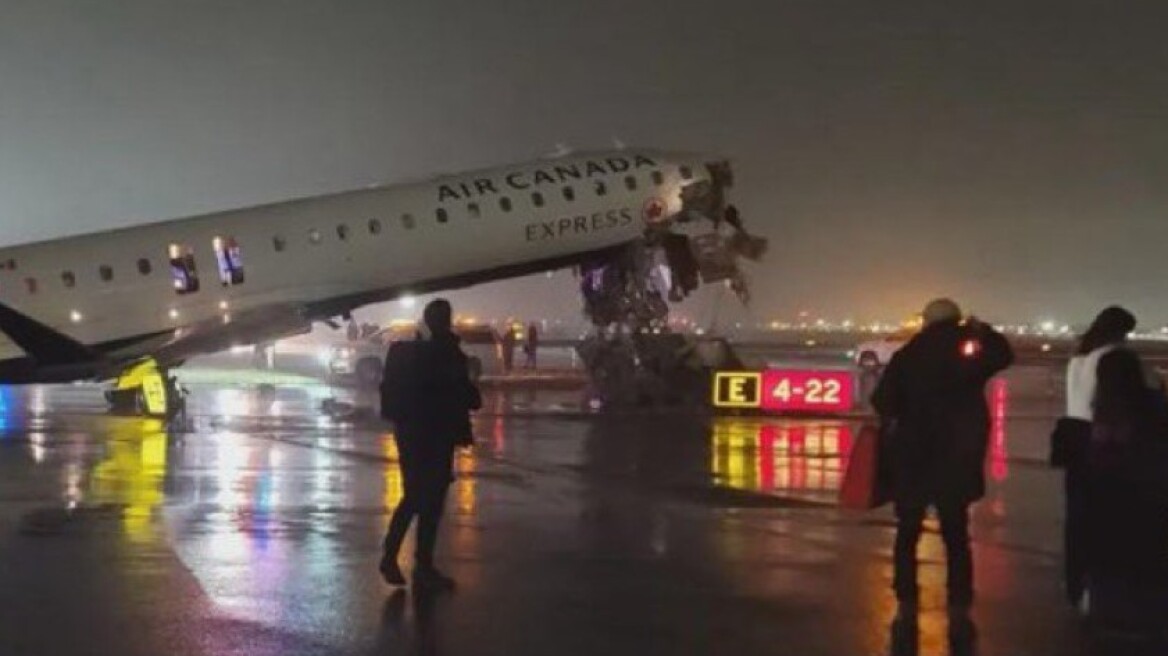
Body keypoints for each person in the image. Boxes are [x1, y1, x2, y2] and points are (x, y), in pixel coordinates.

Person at [871, 298, 1014, 627]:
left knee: (908, 532)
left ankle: (906, 594)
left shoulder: (907, 355)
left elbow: (882, 401)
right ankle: (959, 598)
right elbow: (1004, 355)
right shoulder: (968, 352)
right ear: (957, 320)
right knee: (956, 533)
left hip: (913, 457)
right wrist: (983, 330)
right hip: (956, 457)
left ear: (926, 321)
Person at [379, 299, 482, 591]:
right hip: (437, 436)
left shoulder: (409, 354)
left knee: (413, 497)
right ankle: (421, 566)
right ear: (447, 320)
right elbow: (469, 397)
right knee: (430, 504)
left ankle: (392, 557)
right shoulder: (448, 354)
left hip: (410, 435)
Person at [1056, 306, 1137, 612]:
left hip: (1073, 437)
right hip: (1100, 439)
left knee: (1077, 516)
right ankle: (1101, 587)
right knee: (1106, 517)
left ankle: (1075, 582)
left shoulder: (1079, 358)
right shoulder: (1114, 359)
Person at [1084, 347, 1168, 629]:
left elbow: (1100, 456)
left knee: (1112, 556)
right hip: (1150, 490)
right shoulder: (1153, 404)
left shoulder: (1104, 410)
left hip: (1115, 494)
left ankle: (1111, 614)